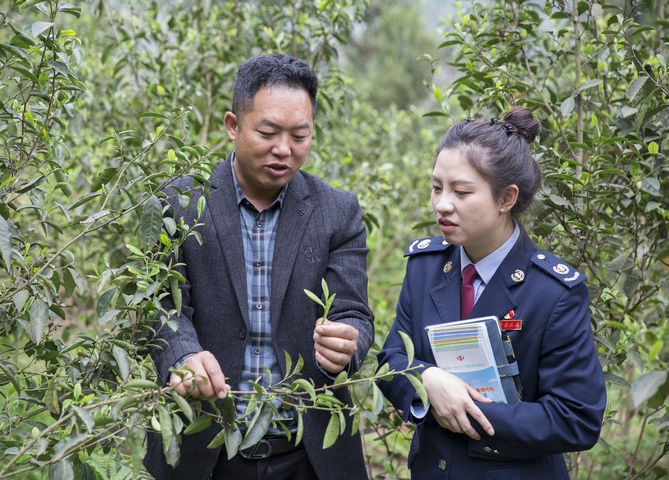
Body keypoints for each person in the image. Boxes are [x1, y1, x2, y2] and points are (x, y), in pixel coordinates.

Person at [144, 53, 374, 480]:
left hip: (309, 453)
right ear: (233, 125)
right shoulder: (178, 203)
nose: (283, 149)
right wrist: (184, 355)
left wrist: (348, 343)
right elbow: (159, 307)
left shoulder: (336, 212)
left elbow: (353, 312)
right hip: (205, 449)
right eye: (267, 132)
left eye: (299, 136)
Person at [376, 107, 606, 479]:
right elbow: (391, 360)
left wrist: (462, 407)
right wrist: (427, 380)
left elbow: (576, 417)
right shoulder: (425, 267)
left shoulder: (553, 292)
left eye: (461, 191)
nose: (441, 204)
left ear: (506, 198)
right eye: (437, 187)